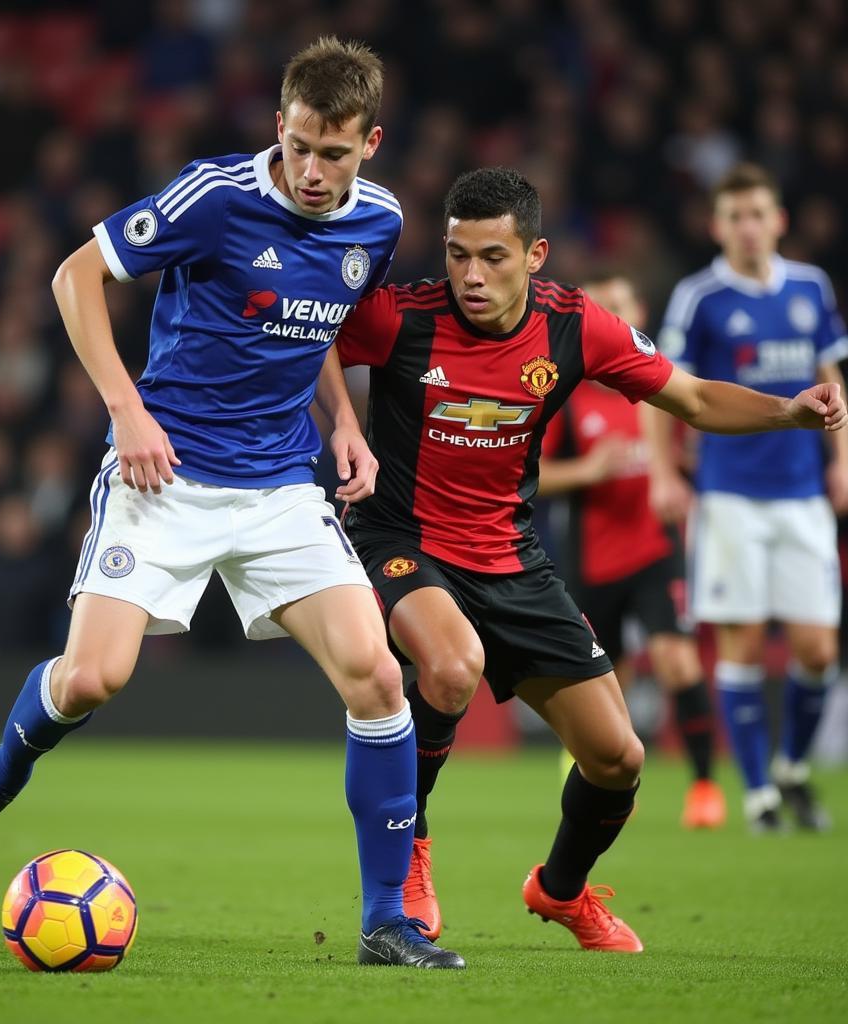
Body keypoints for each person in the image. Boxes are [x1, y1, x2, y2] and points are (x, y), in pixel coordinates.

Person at [0, 37, 464, 971]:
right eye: (299, 146)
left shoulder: (376, 224)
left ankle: (386, 921)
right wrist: (126, 410)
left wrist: (343, 423)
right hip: (161, 474)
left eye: (335, 153)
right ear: (278, 128)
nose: (314, 171)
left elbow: (318, 328)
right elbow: (72, 276)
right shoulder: (214, 198)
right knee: (93, 679)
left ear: (369, 142)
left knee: (377, 678)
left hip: (282, 484)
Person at [335, 167, 845, 953]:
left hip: (511, 555)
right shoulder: (400, 316)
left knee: (617, 757)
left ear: (536, 254)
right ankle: (408, 857)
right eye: (458, 254)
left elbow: (696, 400)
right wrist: (338, 423)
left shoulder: (577, 325)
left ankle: (561, 891)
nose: (471, 275)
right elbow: (304, 342)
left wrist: (785, 409)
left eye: (494, 257)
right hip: (404, 540)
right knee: (450, 665)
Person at [651, 162, 848, 832]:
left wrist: (843, 460)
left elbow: (829, 376)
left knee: (818, 648)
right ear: (717, 225)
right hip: (730, 493)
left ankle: (792, 766)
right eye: (735, 216)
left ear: (779, 220)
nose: (748, 227)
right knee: (739, 641)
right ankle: (760, 792)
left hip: (801, 493)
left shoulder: (811, 287)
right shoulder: (699, 297)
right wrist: (665, 471)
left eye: (759, 213)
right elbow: (664, 385)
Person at [538, 272, 724, 829]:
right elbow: (532, 476)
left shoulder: (661, 388)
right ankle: (600, 779)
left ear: (639, 309)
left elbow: (698, 443)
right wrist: (588, 470)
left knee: (676, 659)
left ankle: (705, 787)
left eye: (620, 305)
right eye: (602, 308)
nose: (613, 317)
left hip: (655, 549)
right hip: (593, 559)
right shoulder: (566, 396)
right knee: (605, 685)